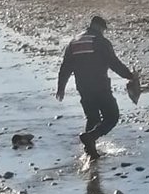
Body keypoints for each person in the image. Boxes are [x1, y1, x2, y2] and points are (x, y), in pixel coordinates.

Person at [56, 16, 137, 160]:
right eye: (103, 30)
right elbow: (113, 63)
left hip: (83, 87)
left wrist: (61, 87)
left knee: (92, 118)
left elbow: (65, 67)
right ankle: (91, 137)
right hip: (100, 86)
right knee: (112, 116)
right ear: (100, 27)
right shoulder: (100, 41)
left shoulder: (74, 42)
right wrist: (129, 75)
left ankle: (89, 150)